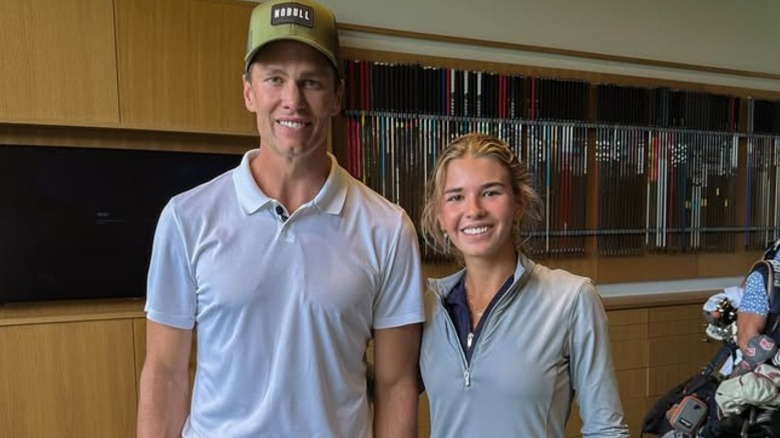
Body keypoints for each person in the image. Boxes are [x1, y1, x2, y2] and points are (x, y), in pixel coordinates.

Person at [136, 0, 424, 436]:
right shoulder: (186, 218)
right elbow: (164, 372)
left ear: (337, 97)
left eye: (311, 82)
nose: (293, 100)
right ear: (249, 91)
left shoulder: (388, 228)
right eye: (275, 79)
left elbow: (396, 383)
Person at [418, 133, 629, 437]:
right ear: (440, 215)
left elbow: (606, 429)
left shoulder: (571, 298)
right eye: (456, 196)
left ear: (518, 204)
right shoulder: (427, 305)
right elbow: (381, 388)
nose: (474, 209)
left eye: (490, 192)